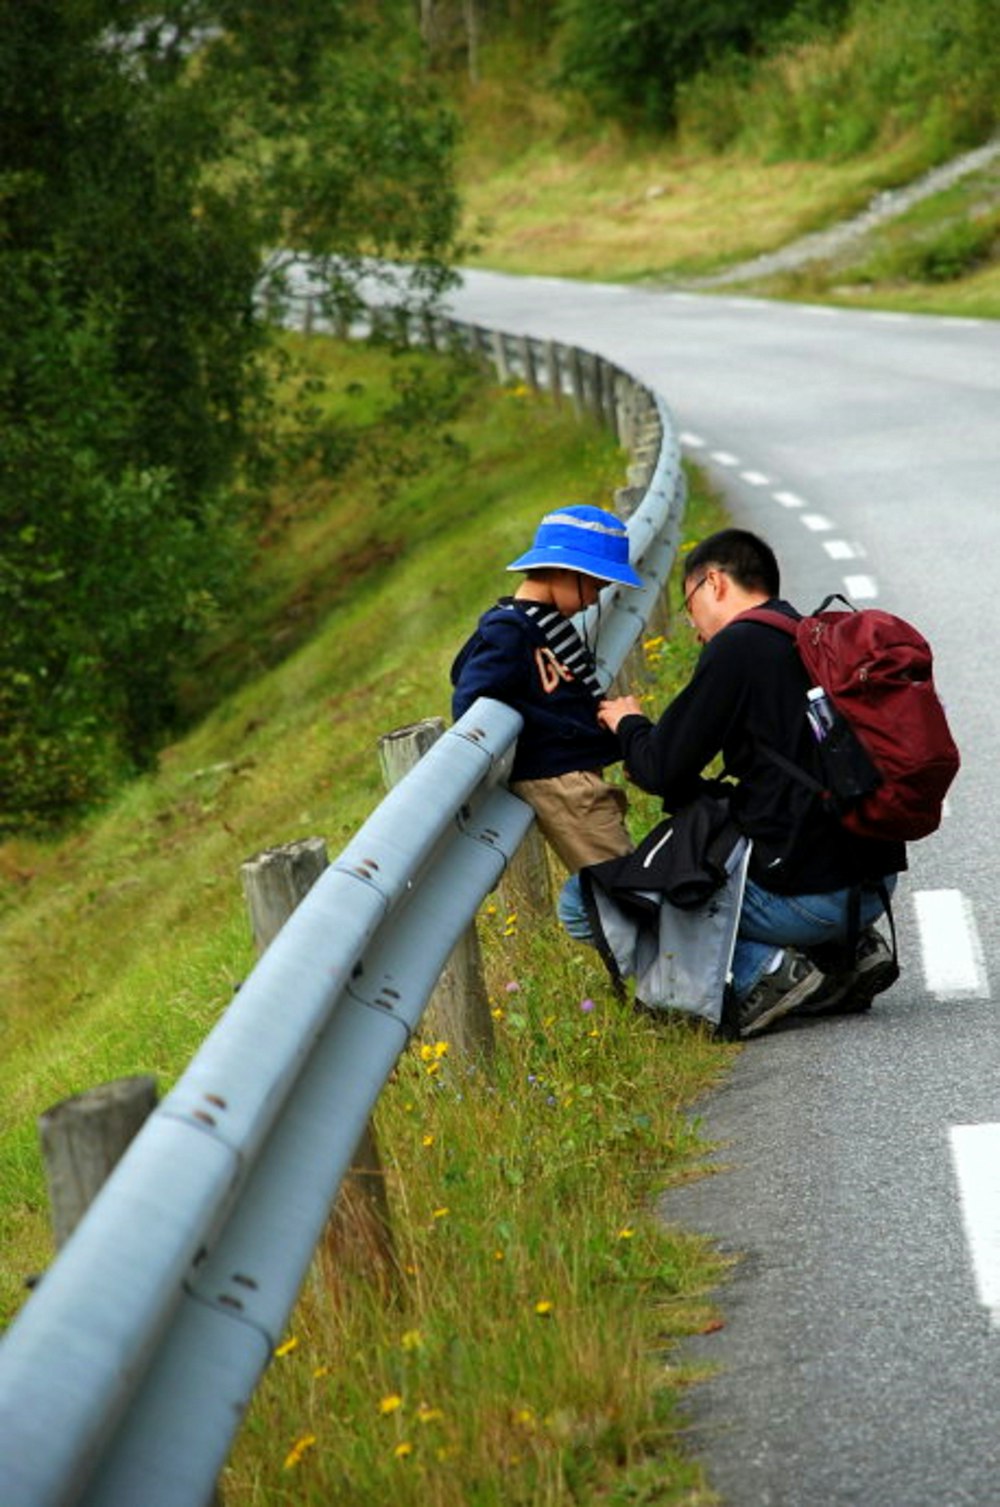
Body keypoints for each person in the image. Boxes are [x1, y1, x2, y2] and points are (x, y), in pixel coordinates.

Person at [591, 527, 904, 1037]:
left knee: (637, 890)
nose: (694, 630)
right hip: (873, 884)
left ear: (713, 583)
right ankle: (849, 953)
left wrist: (628, 722)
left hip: (812, 898)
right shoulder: (805, 635)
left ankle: (767, 972)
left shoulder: (737, 647)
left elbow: (661, 768)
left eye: (689, 605)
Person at [450, 505, 642, 910]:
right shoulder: (510, 629)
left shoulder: (546, 622)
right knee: (629, 892)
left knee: (626, 883)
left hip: (578, 775)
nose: (593, 600)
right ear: (561, 569)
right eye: (592, 585)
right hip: (560, 782)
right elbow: (470, 694)